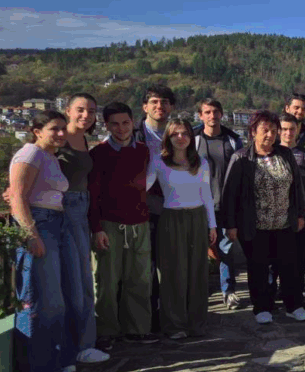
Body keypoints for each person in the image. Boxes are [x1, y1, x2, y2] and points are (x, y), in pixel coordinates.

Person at [9, 111, 78, 372]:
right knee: (40, 298)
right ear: (37, 131)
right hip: (40, 225)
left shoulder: (50, 156)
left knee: (54, 297)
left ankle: (54, 361)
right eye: (54, 129)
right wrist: (31, 234)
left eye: (63, 129)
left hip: (54, 224)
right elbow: (18, 197)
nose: (61, 134)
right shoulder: (30, 154)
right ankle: (37, 371)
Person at [222, 111, 305, 325]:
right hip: (256, 225)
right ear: (253, 132)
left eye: (273, 130)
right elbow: (230, 194)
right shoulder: (241, 158)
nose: (270, 135)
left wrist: (300, 213)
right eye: (265, 130)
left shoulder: (285, 154)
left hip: (284, 222)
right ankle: (262, 307)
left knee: (289, 267)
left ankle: (293, 306)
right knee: (258, 268)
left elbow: (297, 187)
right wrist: (230, 225)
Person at [89, 102, 158, 348]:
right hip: (109, 225)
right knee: (106, 280)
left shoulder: (144, 151)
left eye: (125, 123)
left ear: (132, 123)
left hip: (139, 223)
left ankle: (138, 329)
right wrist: (96, 228)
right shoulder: (98, 154)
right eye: (115, 124)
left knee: (139, 279)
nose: (121, 128)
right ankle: (106, 331)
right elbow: (92, 195)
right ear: (106, 126)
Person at [146, 119, 217, 339]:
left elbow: (207, 194)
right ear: (168, 137)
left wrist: (212, 225)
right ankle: (174, 325)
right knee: (172, 274)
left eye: (185, 133)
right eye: (175, 134)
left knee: (197, 273)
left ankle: (197, 323)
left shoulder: (201, 162)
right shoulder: (158, 162)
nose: (180, 138)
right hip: (171, 219)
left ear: (190, 137)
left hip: (197, 218)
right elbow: (142, 188)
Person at [59, 94, 109, 364]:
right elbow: (30, 162)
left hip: (82, 209)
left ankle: (84, 344)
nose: (86, 115)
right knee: (73, 281)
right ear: (67, 110)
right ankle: (76, 347)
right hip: (62, 210)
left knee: (83, 278)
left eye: (91, 111)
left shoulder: (84, 140)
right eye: (80, 110)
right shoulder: (58, 137)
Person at [192, 98, 245, 310]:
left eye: (215, 111)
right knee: (197, 252)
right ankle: (198, 293)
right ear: (200, 115)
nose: (212, 116)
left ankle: (228, 291)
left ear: (221, 114)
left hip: (225, 206)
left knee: (226, 251)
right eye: (207, 112)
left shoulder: (233, 140)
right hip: (197, 205)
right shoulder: (193, 138)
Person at [135, 84, 176, 333]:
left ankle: (168, 316)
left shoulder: (178, 134)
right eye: (154, 102)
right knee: (145, 267)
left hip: (173, 208)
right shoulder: (134, 135)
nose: (159, 106)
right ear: (145, 107)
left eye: (165, 102)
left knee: (170, 265)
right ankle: (147, 318)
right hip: (142, 209)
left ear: (171, 107)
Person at [279, 112, 305, 309]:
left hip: (300, 210)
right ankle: (277, 290)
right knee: (276, 254)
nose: (288, 133)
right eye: (284, 129)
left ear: (298, 130)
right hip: (276, 212)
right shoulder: (272, 153)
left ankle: (298, 289)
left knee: (299, 253)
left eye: (292, 129)